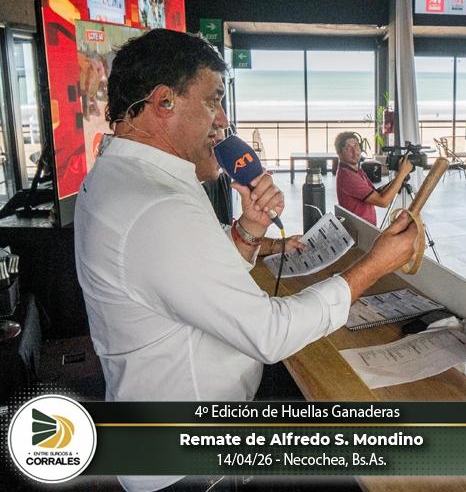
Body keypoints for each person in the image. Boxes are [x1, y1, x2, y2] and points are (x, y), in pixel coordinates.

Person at [74, 30, 417, 492]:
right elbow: (269, 335)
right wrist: (374, 265)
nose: (223, 121)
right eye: (214, 101)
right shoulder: (156, 205)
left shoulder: (125, 178)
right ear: (164, 102)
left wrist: (248, 230)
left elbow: (193, 284)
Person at [335, 131, 414, 226]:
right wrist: (402, 173)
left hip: (363, 227)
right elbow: (383, 202)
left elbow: (377, 193)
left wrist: (398, 179)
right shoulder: (348, 177)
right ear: (339, 153)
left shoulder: (356, 170)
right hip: (360, 231)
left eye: (356, 146)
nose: (354, 151)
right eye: (348, 148)